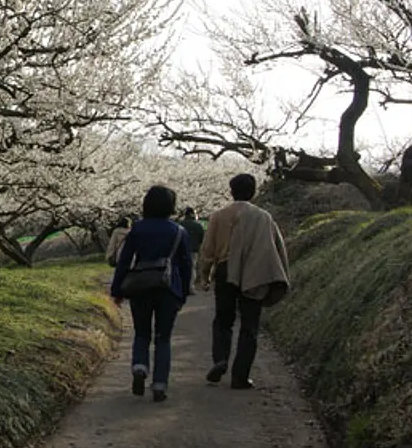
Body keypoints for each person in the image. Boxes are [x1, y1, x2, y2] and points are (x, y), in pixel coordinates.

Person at [197, 173, 290, 390]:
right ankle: (240, 376)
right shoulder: (264, 217)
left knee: (223, 320)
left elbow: (207, 250)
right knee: (249, 325)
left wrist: (204, 276)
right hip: (255, 273)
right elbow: (274, 247)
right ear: (253, 192)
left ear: (231, 191)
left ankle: (220, 359)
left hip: (225, 270)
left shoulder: (218, 216)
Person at [109, 186, 193, 403]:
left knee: (142, 332)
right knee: (163, 338)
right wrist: (183, 293)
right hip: (169, 289)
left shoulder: (137, 229)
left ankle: (139, 365)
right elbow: (186, 265)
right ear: (171, 206)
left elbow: (124, 262)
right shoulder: (179, 231)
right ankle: (159, 384)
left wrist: (117, 290)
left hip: (141, 287)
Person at [178, 207, 206, 288]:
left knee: (181, 267)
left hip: (181, 249)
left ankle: (181, 286)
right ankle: (191, 286)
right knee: (192, 267)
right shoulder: (197, 226)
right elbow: (202, 238)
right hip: (194, 249)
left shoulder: (180, 224)